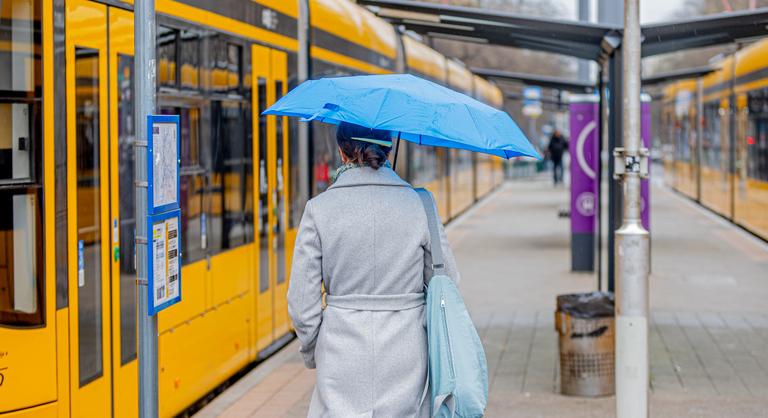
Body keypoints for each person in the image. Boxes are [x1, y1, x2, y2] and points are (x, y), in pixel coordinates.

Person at [288, 122, 461, 417]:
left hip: (341, 353)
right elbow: (448, 283)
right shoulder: (421, 204)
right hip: (407, 350)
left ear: (342, 151)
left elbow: (302, 306)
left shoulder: (318, 209)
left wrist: (317, 350)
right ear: (388, 149)